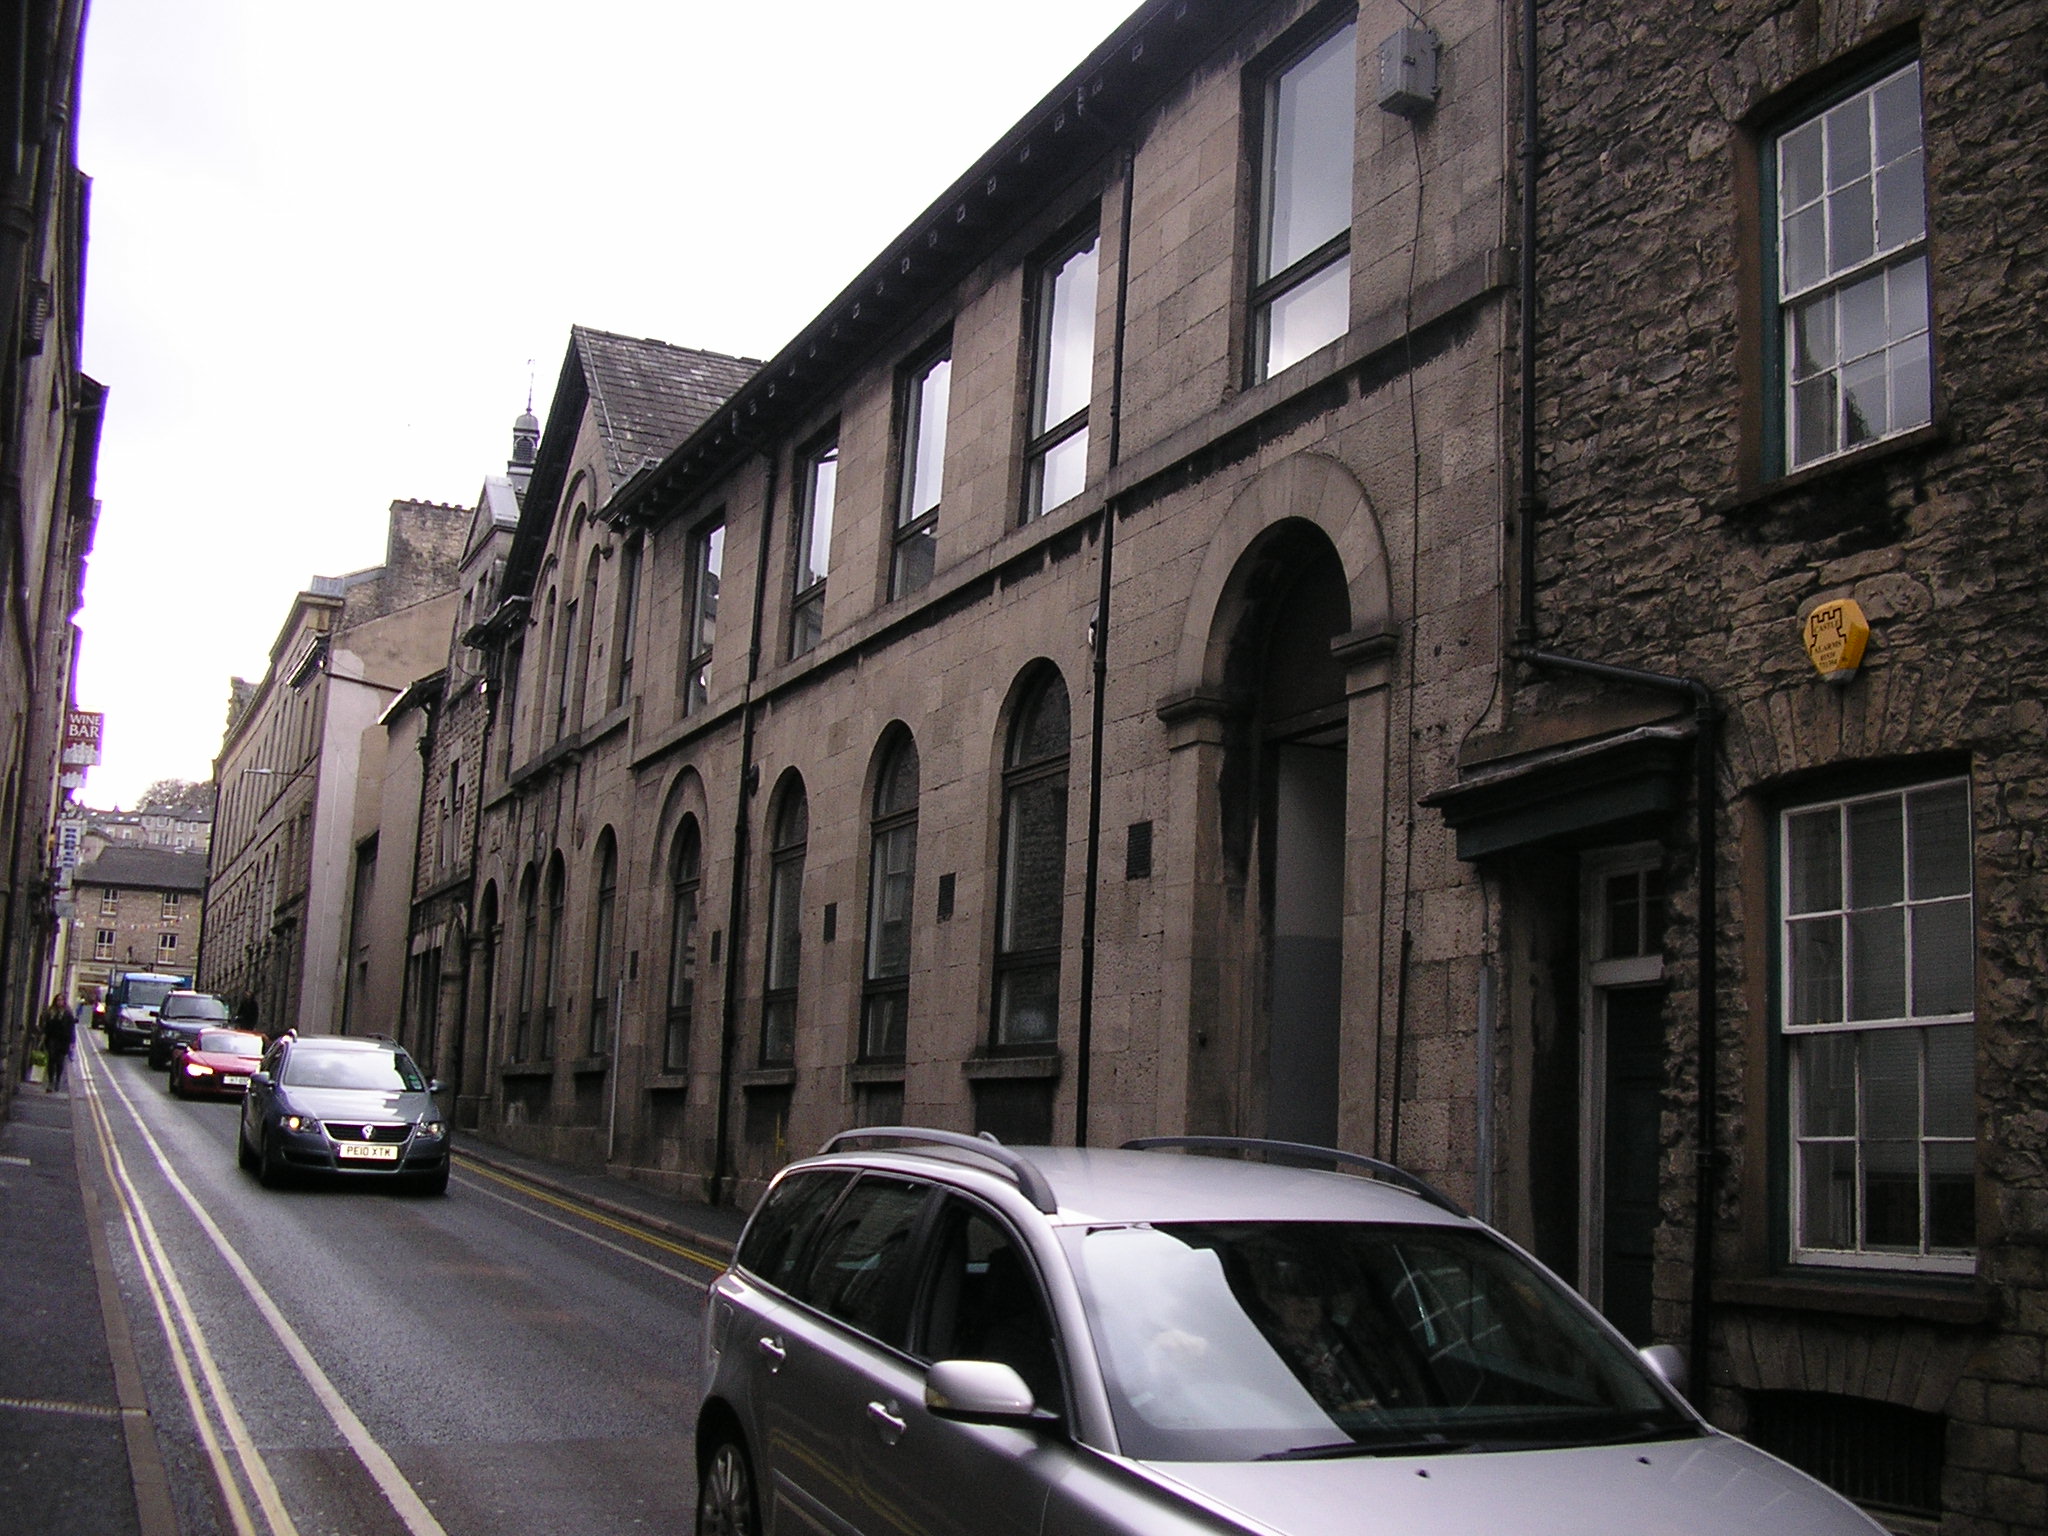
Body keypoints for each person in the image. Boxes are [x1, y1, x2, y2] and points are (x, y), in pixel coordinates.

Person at [40, 994, 77, 1093]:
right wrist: (44, 1037)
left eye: (61, 1000)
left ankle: (57, 1080)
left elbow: (71, 1029)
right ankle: (51, 1081)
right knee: (51, 1060)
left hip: (63, 1041)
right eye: (58, 1000)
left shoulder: (67, 1014)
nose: (59, 1002)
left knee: (60, 1061)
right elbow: (46, 1026)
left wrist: (72, 1042)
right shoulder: (51, 1013)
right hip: (52, 1039)